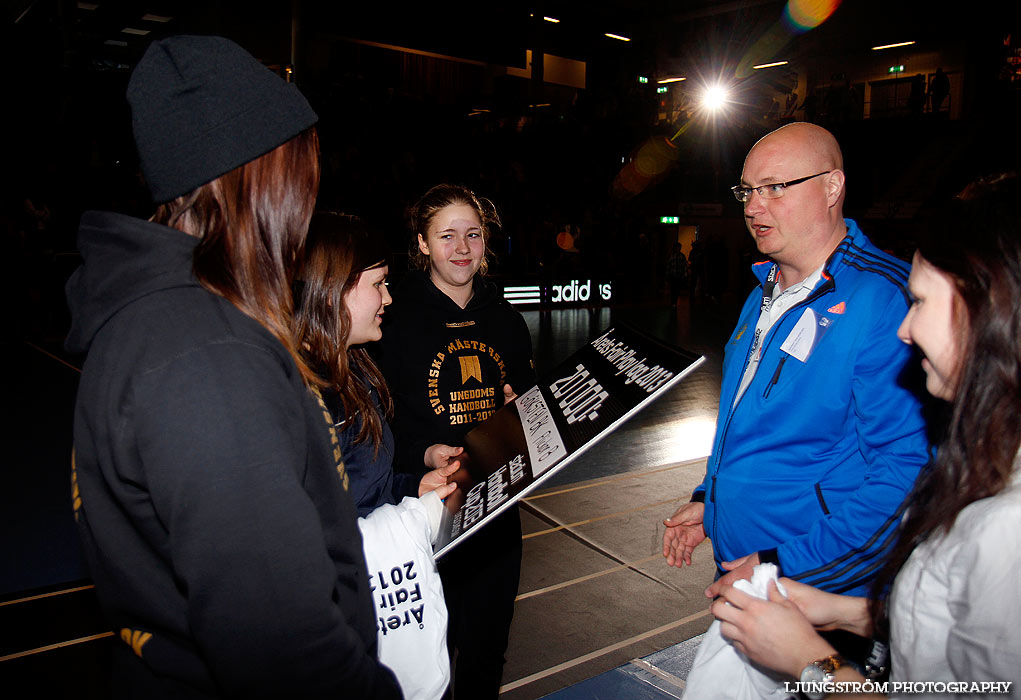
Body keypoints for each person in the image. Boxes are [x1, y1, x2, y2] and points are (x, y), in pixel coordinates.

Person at [64, 36, 401, 698]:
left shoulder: (150, 323)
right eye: (302, 169)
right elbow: (286, 652)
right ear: (266, 175)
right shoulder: (207, 357)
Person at [711, 173, 1021, 697]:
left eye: (920, 302)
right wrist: (852, 614)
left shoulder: (1005, 528)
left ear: (986, 310)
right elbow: (952, 629)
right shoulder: (991, 472)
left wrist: (813, 664)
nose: (906, 327)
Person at [662, 123, 929, 602]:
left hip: (823, 589)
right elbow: (749, 425)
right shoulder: (762, 292)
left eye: (775, 188)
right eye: (747, 189)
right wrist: (712, 500)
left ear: (832, 187)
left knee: (828, 680)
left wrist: (784, 565)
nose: (751, 206)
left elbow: (906, 473)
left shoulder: (885, 299)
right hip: (749, 575)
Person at [380, 184, 536, 698]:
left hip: (493, 511)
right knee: (425, 659)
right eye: (447, 236)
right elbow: (375, 427)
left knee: (486, 650)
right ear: (423, 244)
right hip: (421, 512)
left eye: (473, 234)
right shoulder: (392, 320)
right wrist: (422, 453)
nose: (462, 248)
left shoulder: (507, 321)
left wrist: (523, 415)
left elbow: (528, 414)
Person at [294, 212, 459, 517]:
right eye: (378, 284)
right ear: (334, 289)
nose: (388, 298)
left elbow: (372, 491)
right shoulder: (302, 395)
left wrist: (416, 488)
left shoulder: (357, 370)